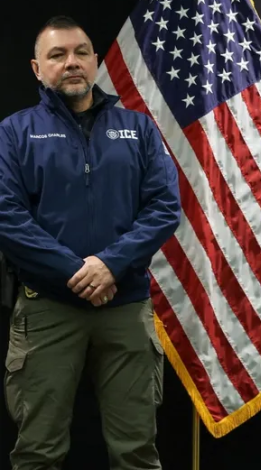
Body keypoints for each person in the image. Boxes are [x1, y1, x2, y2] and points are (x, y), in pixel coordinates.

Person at [0, 15, 180, 469]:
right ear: (37, 68)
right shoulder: (13, 133)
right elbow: (8, 217)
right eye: (57, 55)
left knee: (137, 451)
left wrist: (110, 264)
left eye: (81, 52)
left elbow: (164, 208)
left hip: (125, 306)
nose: (72, 62)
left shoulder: (139, 129)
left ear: (95, 61)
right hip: (47, 308)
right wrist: (77, 272)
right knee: (38, 451)